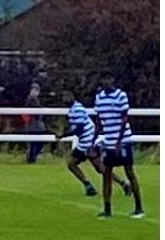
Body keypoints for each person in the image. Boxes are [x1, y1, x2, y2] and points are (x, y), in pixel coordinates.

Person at [57, 90, 130, 198]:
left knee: (77, 165)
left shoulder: (76, 109)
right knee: (95, 167)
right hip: (87, 141)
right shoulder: (75, 108)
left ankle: (94, 186)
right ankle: (120, 184)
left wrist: (63, 135)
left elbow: (79, 129)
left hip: (88, 142)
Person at [94, 72, 144, 218]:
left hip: (123, 140)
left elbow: (124, 119)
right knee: (106, 174)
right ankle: (107, 209)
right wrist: (94, 140)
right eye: (104, 79)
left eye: (109, 79)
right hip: (108, 140)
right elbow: (98, 120)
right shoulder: (99, 97)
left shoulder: (121, 96)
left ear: (113, 80)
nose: (107, 82)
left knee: (129, 172)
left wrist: (118, 141)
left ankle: (139, 207)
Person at [24, 82, 46, 163]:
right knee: (36, 142)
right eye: (33, 90)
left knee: (35, 143)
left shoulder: (33, 99)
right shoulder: (32, 99)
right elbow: (36, 112)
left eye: (36, 90)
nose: (35, 91)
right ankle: (32, 158)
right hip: (34, 125)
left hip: (34, 124)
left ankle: (32, 157)